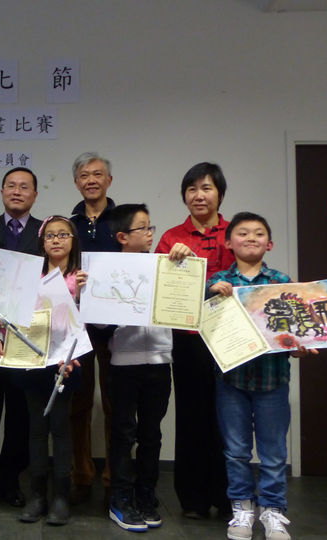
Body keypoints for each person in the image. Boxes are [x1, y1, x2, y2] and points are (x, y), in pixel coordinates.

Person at [206, 212, 317, 540]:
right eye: (243, 233)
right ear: (229, 242)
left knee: (274, 452)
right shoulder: (219, 281)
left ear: (269, 243)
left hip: (273, 380)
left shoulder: (282, 282)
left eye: (258, 233)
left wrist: (299, 349)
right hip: (231, 381)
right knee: (236, 450)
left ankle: (273, 510)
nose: (251, 238)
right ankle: (242, 508)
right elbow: (204, 323)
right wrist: (210, 293)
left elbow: (293, 334)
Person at [155, 162, 236, 519]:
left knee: (229, 416)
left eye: (206, 188)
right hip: (187, 338)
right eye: (192, 189)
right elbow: (160, 287)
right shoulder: (172, 237)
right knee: (191, 415)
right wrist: (177, 264)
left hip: (230, 336)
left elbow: (248, 273)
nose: (198, 195)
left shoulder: (236, 232)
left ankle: (230, 495)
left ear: (220, 193)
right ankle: (193, 499)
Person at [104, 204, 192, 532]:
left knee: (151, 434)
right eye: (143, 228)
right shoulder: (106, 270)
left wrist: (184, 261)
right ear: (123, 237)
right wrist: (91, 295)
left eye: (151, 227)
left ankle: (146, 495)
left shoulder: (165, 265)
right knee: (123, 433)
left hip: (159, 360)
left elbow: (185, 295)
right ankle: (120, 498)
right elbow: (97, 323)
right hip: (124, 362)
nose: (151, 233)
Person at [13, 215, 85, 526]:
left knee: (61, 428)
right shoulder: (32, 278)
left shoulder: (82, 277)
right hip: (35, 361)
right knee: (37, 428)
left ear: (73, 240)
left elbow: (91, 321)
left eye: (63, 234)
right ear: (42, 243)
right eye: (50, 235)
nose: (56, 240)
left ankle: (61, 496)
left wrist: (82, 294)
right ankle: (37, 494)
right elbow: (18, 315)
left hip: (68, 362)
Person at [0, 167, 43, 507]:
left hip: (26, 334)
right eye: (11, 186)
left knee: (20, 414)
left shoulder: (44, 231)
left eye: (24, 187)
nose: (17, 191)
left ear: (35, 194)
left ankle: (10, 480)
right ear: (2, 191)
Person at [68, 152, 119, 503]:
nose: (91, 180)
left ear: (109, 181)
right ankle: (81, 474)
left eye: (98, 174)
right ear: (77, 183)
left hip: (117, 326)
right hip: (78, 325)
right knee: (78, 403)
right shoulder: (68, 224)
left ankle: (114, 475)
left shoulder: (124, 219)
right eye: (84, 175)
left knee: (116, 404)